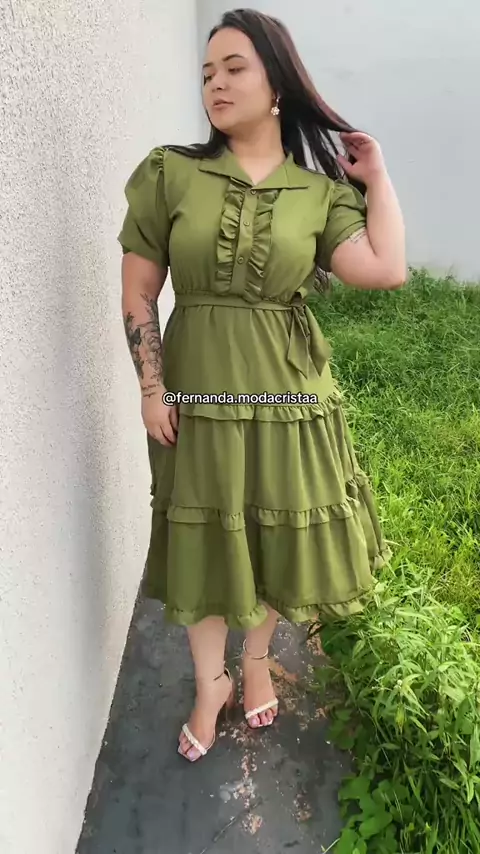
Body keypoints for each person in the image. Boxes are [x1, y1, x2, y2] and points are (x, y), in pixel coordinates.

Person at [118, 8, 406, 763]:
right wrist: (151, 386)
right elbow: (139, 290)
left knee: (272, 529)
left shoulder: (316, 193)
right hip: (198, 389)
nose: (215, 83)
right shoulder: (170, 172)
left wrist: (377, 177)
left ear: (277, 83)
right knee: (205, 534)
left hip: (290, 394)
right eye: (206, 72)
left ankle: (253, 663)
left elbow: (385, 269)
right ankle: (209, 681)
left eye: (234, 67)